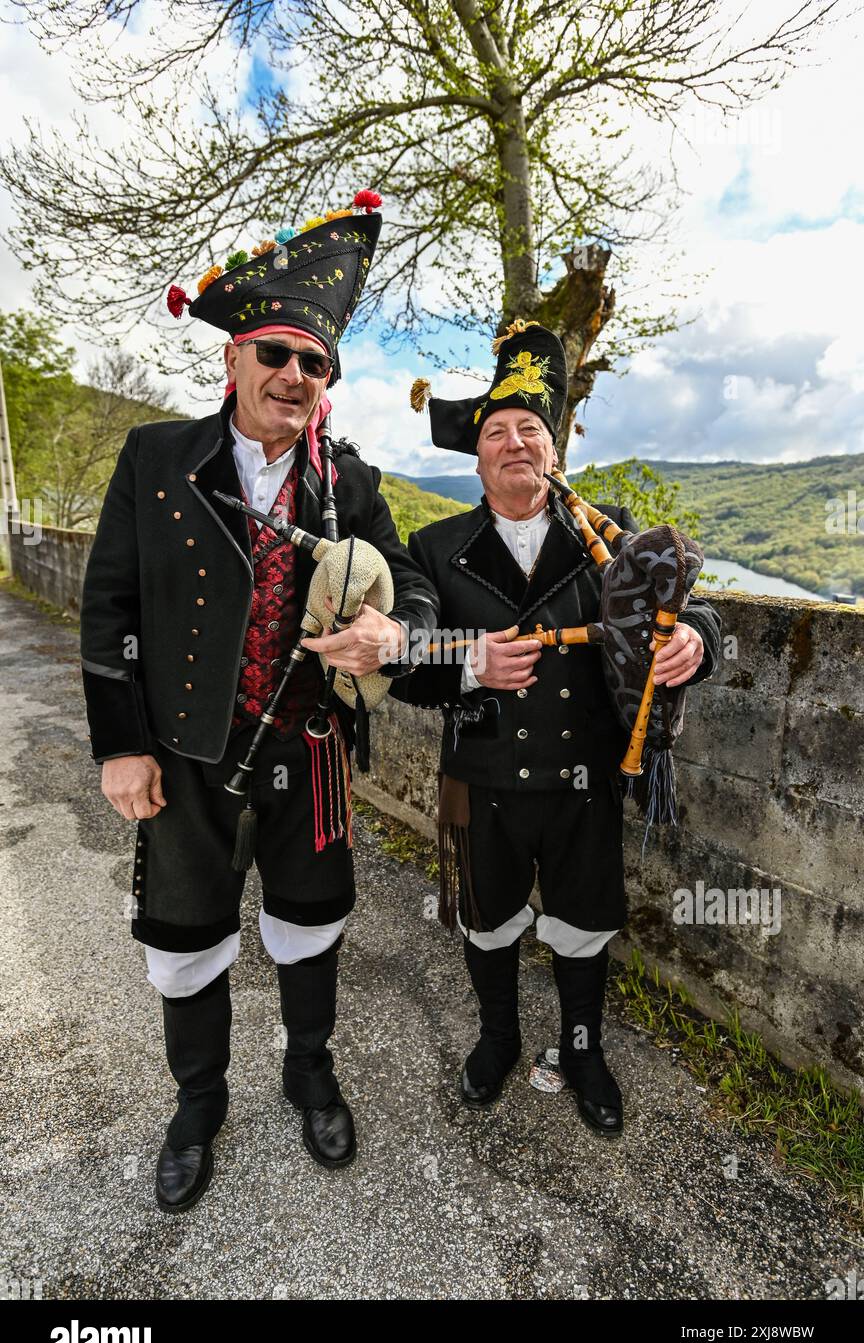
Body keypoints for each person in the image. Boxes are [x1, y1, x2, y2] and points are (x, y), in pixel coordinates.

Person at [80, 195, 438, 1211]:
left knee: (311, 922)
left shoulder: (350, 480)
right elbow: (107, 605)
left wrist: (394, 633)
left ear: (328, 383)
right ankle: (197, 1105)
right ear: (234, 358)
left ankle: (309, 1068)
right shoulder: (156, 461)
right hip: (186, 750)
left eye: (314, 363)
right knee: (186, 937)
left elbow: (409, 581)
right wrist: (121, 744)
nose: (294, 375)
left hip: (311, 746)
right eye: (276, 352)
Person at [392, 321, 720, 1137]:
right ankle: (498, 1040)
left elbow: (687, 602)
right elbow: (404, 656)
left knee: (582, 929)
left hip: (584, 782)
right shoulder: (434, 549)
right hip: (483, 782)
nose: (513, 444)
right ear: (476, 460)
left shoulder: (606, 530)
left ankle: (581, 1050)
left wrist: (696, 641)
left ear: (554, 448)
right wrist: (468, 660)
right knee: (489, 921)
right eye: (496, 433)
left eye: (529, 430)